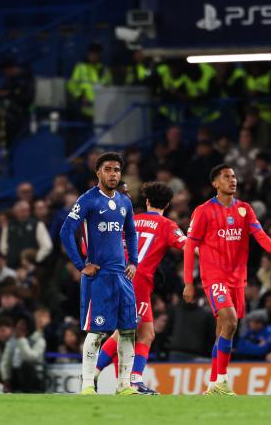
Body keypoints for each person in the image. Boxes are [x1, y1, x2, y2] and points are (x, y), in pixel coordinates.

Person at [183, 163, 271, 395]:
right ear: (215, 183)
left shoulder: (245, 209)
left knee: (224, 329)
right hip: (214, 277)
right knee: (231, 322)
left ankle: (213, 384)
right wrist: (189, 282)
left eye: (234, 176)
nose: (232, 180)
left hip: (237, 279)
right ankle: (222, 381)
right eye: (226, 177)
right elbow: (189, 245)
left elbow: (260, 235)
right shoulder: (203, 210)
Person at [95, 181, 187, 394]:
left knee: (146, 332)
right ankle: (94, 374)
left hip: (117, 275)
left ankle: (133, 381)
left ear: (146, 201)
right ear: (168, 204)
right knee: (124, 333)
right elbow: (187, 245)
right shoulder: (168, 225)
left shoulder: (132, 221)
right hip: (138, 280)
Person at [60, 152, 139, 395]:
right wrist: (80, 265)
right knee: (97, 331)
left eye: (116, 170)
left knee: (128, 330)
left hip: (122, 277)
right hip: (99, 277)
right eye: (108, 170)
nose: (113, 174)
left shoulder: (125, 202)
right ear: (98, 173)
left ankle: (124, 384)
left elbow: (131, 233)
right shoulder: (88, 200)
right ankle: (86, 385)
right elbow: (66, 231)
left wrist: (133, 262)